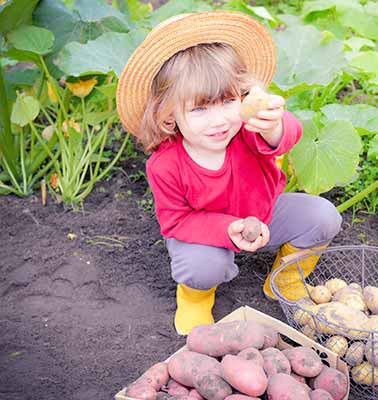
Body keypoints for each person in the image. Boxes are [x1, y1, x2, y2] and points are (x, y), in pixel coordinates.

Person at [116, 11, 342, 335]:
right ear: (168, 115)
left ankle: (287, 280)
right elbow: (177, 222)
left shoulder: (246, 129)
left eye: (227, 102)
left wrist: (275, 126)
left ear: (243, 96)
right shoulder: (165, 165)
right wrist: (228, 228)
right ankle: (195, 298)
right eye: (199, 109)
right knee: (203, 267)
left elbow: (284, 140)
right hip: (203, 234)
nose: (219, 120)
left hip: (264, 214)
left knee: (323, 216)